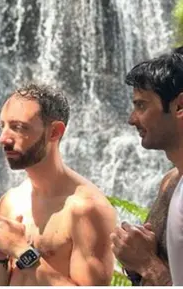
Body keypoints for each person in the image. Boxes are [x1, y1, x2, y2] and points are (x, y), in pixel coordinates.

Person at [0, 84, 117, 286]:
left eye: (18, 127)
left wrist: (22, 250)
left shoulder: (86, 209)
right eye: (3, 126)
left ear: (54, 132)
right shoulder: (11, 201)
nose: (3, 139)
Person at [115, 48, 183, 286]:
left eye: (141, 106)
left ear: (179, 106)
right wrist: (136, 267)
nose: (131, 119)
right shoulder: (172, 182)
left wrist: (147, 263)